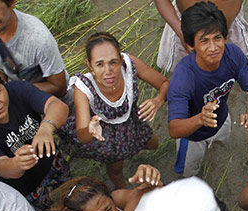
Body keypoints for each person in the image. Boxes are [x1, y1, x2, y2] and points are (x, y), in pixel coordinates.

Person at [58, 33, 169, 188]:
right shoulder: (83, 87)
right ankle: (123, 192)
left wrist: (158, 100)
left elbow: (164, 83)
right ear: (89, 65)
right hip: (106, 134)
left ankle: (133, 151)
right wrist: (91, 130)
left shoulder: (129, 65)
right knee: (116, 168)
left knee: (153, 144)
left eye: (113, 62)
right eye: (100, 64)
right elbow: (82, 135)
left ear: (121, 60)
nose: (108, 71)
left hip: (133, 121)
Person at [167, 1, 248, 177]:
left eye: (217, 38)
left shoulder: (233, 54)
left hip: (222, 118)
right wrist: (200, 119)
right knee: (188, 174)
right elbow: (174, 129)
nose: (213, 48)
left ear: (225, 37)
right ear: (190, 45)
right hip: (192, 137)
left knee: (221, 144)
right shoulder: (183, 77)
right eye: (204, 41)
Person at [0, 61, 70, 211]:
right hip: (23, 187)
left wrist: (46, 127)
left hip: (51, 160)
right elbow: (0, 167)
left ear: (3, 83)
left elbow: (58, 106)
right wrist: (18, 163)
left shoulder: (18, 90)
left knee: (69, 197)